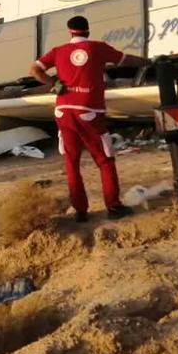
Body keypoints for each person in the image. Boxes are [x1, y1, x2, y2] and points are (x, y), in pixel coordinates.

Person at [29, 16, 146, 222]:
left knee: (71, 162)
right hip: (89, 112)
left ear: (70, 32)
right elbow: (126, 59)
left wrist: (53, 83)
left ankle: (81, 211)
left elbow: (34, 70)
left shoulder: (58, 51)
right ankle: (113, 206)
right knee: (105, 160)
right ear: (88, 31)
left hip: (63, 111)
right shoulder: (98, 48)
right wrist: (149, 62)